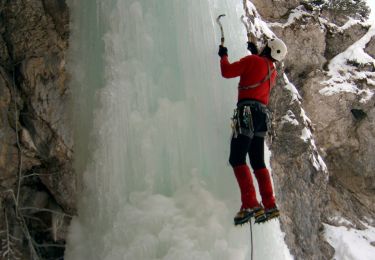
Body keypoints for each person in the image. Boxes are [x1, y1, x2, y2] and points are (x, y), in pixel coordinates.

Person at [218, 38, 287, 225]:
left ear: (268, 48)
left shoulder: (253, 61)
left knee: (237, 158)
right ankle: (269, 204)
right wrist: (255, 52)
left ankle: (250, 203)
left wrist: (223, 55)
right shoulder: (272, 72)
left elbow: (227, 71)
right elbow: (258, 70)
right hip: (261, 118)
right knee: (258, 162)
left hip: (246, 112)